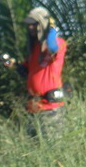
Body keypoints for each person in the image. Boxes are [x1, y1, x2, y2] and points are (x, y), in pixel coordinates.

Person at [5, 7, 68, 138]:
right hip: (34, 108)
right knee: (34, 148)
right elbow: (26, 72)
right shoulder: (35, 49)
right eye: (29, 25)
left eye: (34, 24)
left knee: (53, 148)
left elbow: (52, 47)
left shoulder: (58, 43)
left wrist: (53, 29)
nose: (30, 28)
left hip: (51, 108)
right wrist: (13, 65)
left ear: (43, 23)